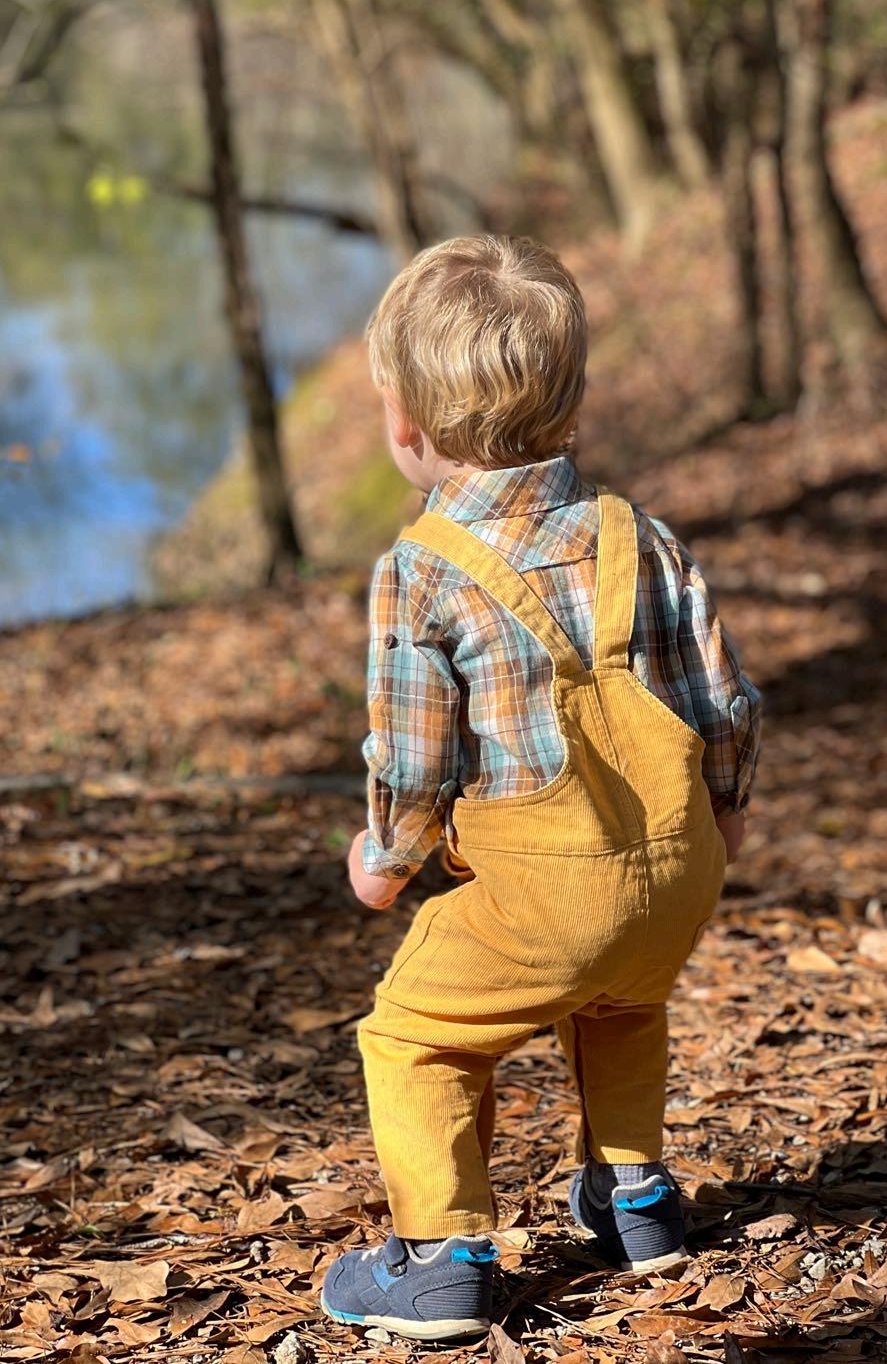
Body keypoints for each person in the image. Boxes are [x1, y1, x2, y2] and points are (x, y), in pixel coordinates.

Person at [321, 235, 761, 1340]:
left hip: (546, 893)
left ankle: (438, 1259)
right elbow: (721, 698)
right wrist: (724, 811)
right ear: (571, 400)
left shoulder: (422, 569)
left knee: (413, 1034)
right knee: (621, 1001)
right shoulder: (636, 534)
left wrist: (385, 860)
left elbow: (414, 762)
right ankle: (635, 1200)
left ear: (404, 425)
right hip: (675, 871)